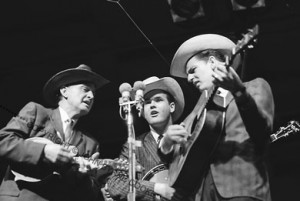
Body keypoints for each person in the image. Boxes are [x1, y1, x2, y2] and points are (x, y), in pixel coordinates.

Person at [160, 34, 275, 201]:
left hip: (241, 189)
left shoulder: (254, 86)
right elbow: (175, 157)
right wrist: (167, 143)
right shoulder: (197, 111)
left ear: (213, 62)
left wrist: (239, 92)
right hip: (202, 195)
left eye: (192, 71)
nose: (190, 79)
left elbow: (262, 133)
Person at [0, 64, 113, 201]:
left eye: (93, 93)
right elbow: (3, 141)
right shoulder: (36, 112)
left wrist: (84, 176)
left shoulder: (91, 144)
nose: (91, 96)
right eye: (85, 90)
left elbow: (87, 195)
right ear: (64, 91)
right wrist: (44, 150)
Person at [106, 76, 185, 200]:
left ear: (172, 107)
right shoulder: (134, 145)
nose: (152, 105)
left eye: (158, 100)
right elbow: (116, 184)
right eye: (147, 102)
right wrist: (156, 188)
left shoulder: (186, 137)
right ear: (142, 110)